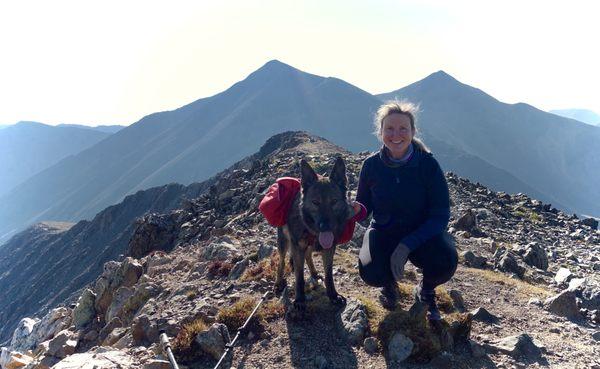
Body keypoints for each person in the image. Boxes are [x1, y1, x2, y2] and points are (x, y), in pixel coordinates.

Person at [351, 100, 458, 321]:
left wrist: (407, 244)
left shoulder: (427, 165)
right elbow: (364, 207)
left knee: (445, 260)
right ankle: (389, 283)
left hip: (421, 236)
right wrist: (352, 210)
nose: (396, 134)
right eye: (389, 128)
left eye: (403, 129)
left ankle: (426, 289)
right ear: (380, 132)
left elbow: (440, 215)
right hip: (384, 232)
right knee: (370, 271)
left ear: (412, 132)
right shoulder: (371, 165)